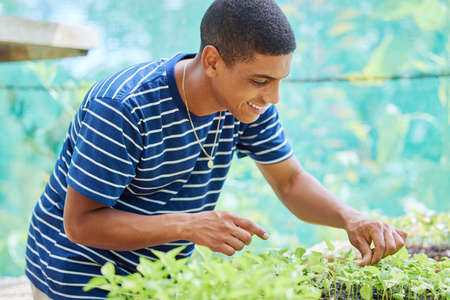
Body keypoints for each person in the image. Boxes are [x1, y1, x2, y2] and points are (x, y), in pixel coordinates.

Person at [25, 0, 408, 299]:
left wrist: (351, 219)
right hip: (77, 280)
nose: (273, 97)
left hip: (156, 281)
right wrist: (190, 224)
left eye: (279, 81)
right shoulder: (124, 107)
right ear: (211, 61)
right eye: (261, 80)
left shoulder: (246, 106)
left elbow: (290, 182)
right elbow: (80, 224)